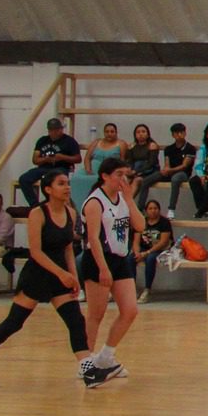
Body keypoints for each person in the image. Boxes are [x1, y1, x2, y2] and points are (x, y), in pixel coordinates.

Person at [0, 171, 109, 389]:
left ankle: (88, 371)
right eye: (61, 184)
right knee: (14, 323)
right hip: (37, 276)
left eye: (67, 183)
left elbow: (68, 248)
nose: (67, 187)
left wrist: (74, 277)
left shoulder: (70, 213)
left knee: (75, 320)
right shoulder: (38, 213)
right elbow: (36, 252)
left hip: (60, 277)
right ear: (48, 189)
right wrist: (61, 274)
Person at [79, 158, 142, 381]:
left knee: (130, 310)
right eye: (118, 174)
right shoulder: (95, 202)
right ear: (105, 176)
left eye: (125, 174)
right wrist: (103, 269)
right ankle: (85, 363)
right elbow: (93, 239)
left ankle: (106, 356)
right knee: (96, 314)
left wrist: (129, 199)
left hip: (120, 258)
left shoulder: (123, 199)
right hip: (98, 259)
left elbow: (140, 226)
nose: (122, 179)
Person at [18, 117, 82, 207]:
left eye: (57, 130)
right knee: (24, 179)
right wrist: (46, 159)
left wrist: (62, 157)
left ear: (61, 129)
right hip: (44, 167)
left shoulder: (69, 141)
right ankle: (34, 205)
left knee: (49, 181)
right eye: (51, 130)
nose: (54, 132)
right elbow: (35, 160)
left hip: (61, 168)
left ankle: (51, 204)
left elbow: (78, 159)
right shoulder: (42, 140)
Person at [144, 122, 196, 216]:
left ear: (185, 133)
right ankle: (140, 208)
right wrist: (165, 170)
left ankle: (171, 209)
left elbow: (184, 165)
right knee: (146, 180)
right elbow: (167, 163)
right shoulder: (168, 149)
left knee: (175, 179)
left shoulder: (190, 148)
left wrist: (170, 170)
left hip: (183, 174)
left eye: (181, 132)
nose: (179, 135)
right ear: (173, 135)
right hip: (170, 172)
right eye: (176, 133)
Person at [133, 198, 174, 303]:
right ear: (146, 210)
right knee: (130, 258)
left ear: (159, 210)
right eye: (150, 208)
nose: (153, 210)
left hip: (159, 249)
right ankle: (132, 288)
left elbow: (163, 242)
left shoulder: (164, 222)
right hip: (144, 248)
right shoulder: (141, 221)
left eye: (155, 208)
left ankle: (147, 289)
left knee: (151, 259)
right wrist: (137, 252)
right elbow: (136, 241)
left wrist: (147, 253)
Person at [124, 124, 161, 192]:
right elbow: (130, 161)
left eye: (143, 132)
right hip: (135, 170)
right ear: (135, 135)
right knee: (124, 179)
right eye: (138, 132)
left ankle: (128, 201)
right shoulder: (132, 146)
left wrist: (136, 171)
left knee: (136, 180)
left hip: (149, 171)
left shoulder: (152, 145)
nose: (141, 134)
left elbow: (151, 163)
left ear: (148, 134)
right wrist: (129, 169)